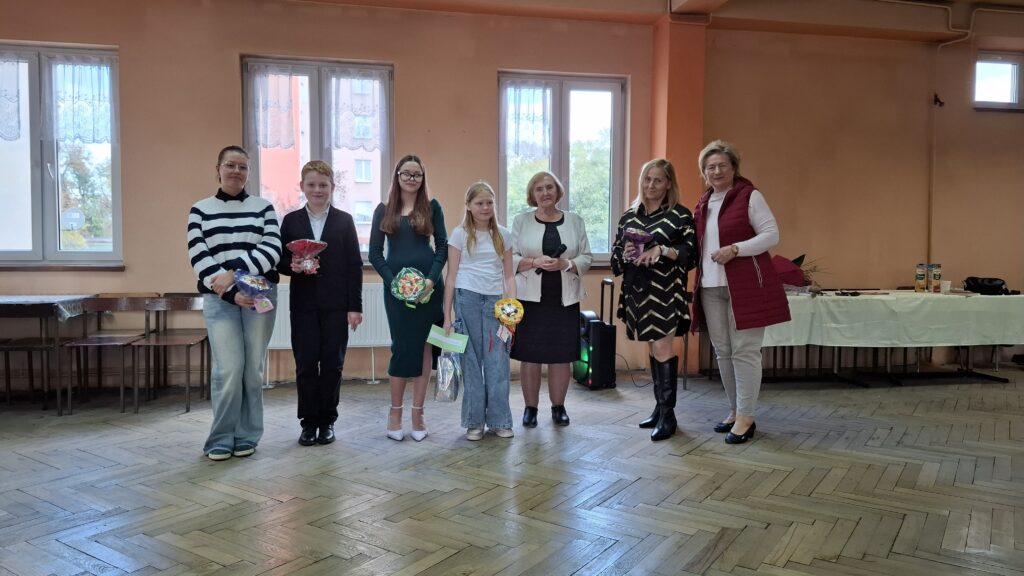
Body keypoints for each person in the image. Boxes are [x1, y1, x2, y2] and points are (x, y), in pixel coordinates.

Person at [691, 140, 790, 444]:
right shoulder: (703, 203)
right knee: (723, 351)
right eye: (710, 167)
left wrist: (736, 249)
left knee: (745, 351)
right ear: (704, 172)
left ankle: (747, 417)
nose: (716, 171)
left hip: (745, 285)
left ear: (734, 167)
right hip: (710, 287)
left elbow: (771, 235)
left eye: (722, 165)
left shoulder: (750, 196)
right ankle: (735, 410)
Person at [187, 145, 281, 461]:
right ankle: (221, 437)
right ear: (218, 169)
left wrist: (233, 273)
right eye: (230, 165)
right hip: (219, 299)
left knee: (252, 369)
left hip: (259, 296)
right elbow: (199, 256)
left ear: (248, 173)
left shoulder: (264, 208)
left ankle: (247, 435)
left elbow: (272, 250)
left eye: (243, 167)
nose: (236, 171)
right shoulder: (200, 210)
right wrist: (229, 292)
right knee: (228, 369)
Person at [278, 160, 363, 447]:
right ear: (302, 186)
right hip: (303, 305)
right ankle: (308, 422)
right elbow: (279, 261)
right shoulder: (290, 221)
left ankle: (327, 421)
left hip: (336, 305)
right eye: (312, 184)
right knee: (305, 364)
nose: (317, 190)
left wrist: (355, 307)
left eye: (323, 185)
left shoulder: (344, 220)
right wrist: (292, 266)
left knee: (332, 365)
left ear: (332, 187)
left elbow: (354, 265)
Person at [610, 158, 696, 442]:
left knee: (662, 346)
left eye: (658, 180)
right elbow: (615, 255)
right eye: (647, 179)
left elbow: (691, 255)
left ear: (669, 183)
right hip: (637, 291)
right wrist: (624, 255)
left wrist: (662, 250)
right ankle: (660, 408)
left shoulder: (681, 215)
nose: (651, 185)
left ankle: (668, 415)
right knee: (652, 346)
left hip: (666, 291)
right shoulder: (629, 216)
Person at [369, 154, 447, 442]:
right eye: (406, 173)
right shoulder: (383, 209)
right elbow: (374, 253)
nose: (412, 178)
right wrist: (395, 284)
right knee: (401, 348)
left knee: (425, 348)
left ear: (422, 178)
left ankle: (418, 413)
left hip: (429, 289)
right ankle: (395, 413)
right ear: (397, 175)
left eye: (417, 174)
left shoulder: (432, 207)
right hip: (396, 292)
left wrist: (430, 280)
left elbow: (442, 247)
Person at [510, 171, 592, 428]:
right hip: (530, 300)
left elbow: (587, 258)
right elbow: (510, 258)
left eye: (549, 187)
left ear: (557, 191)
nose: (545, 193)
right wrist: (534, 261)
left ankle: (559, 408)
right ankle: (530, 409)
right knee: (530, 355)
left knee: (561, 355)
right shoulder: (521, 221)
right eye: (539, 189)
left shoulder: (575, 221)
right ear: (532, 194)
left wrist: (565, 264)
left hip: (564, 299)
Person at [443, 182, 516, 441]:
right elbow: (451, 277)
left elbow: (509, 276)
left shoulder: (504, 235)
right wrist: (447, 317)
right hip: (467, 300)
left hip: (496, 303)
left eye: (489, 203)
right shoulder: (459, 234)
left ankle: (499, 421)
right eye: (479, 203)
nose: (485, 207)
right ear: (468, 206)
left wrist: (511, 313)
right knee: (471, 364)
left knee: (498, 363)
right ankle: (474, 422)